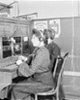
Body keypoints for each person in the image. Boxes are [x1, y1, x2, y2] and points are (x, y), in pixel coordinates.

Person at [7, 28, 55, 100]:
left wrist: (20, 63)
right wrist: (26, 59)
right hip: (41, 79)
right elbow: (35, 60)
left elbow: (29, 71)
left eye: (33, 38)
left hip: (43, 83)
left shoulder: (41, 52)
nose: (32, 40)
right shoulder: (40, 49)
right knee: (16, 85)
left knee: (16, 90)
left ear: (41, 39)